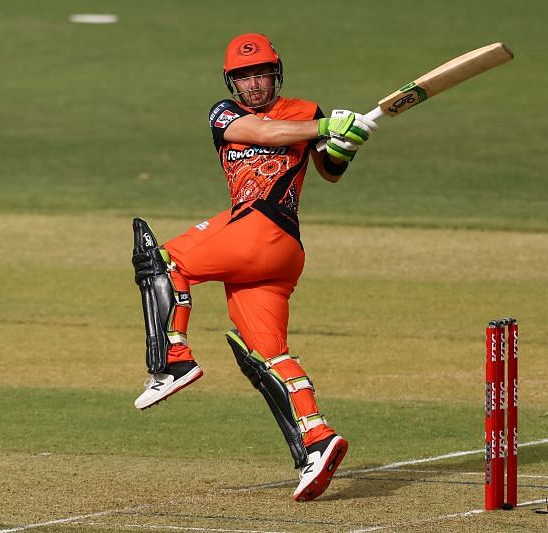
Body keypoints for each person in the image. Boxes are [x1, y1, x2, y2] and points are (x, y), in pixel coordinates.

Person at [130, 33, 377, 502]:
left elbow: (330, 170)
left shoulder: (304, 110)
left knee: (161, 260)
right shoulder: (224, 113)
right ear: (232, 82)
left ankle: (172, 361)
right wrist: (326, 127)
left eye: (261, 74)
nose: (254, 84)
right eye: (244, 77)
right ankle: (317, 441)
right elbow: (265, 134)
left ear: (276, 73)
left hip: (265, 229)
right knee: (266, 352)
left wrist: (348, 142)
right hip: (268, 256)